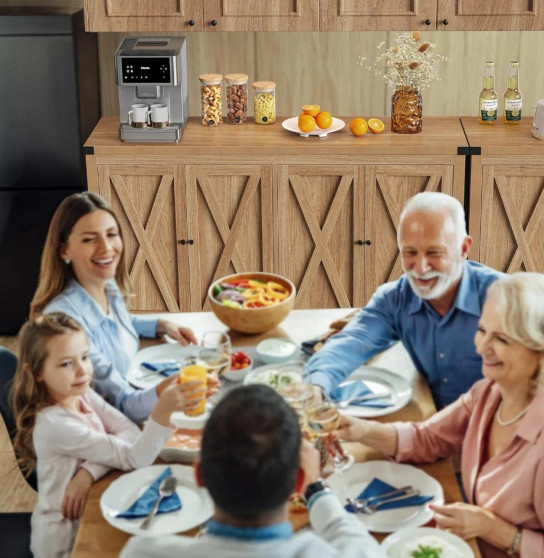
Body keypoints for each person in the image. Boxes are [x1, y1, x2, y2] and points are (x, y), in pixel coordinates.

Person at [335, 273, 544, 557]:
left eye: (501, 339)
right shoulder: (491, 393)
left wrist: (494, 529)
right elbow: (427, 438)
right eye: (482, 330)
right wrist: (359, 430)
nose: (481, 347)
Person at [12, 312, 204, 558]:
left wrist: (88, 471)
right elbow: (136, 458)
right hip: (66, 543)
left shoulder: (78, 393)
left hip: (94, 503)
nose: (82, 371)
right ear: (37, 372)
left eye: (84, 357)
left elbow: (129, 430)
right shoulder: (55, 424)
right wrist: (163, 410)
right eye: (66, 363)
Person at [121, 384, 386, 558]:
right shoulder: (315, 552)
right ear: (297, 484)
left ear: (199, 475)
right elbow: (358, 544)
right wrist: (316, 490)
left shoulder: (142, 553)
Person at [30, 191, 218, 423]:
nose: (106, 247)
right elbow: (123, 404)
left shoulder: (106, 286)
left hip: (135, 400)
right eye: (89, 239)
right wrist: (173, 388)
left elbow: (120, 323)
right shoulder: (66, 322)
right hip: (109, 430)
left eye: (111, 234)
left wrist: (163, 326)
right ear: (64, 250)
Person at [304, 192, 503, 408]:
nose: (420, 268)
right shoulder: (394, 299)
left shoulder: (507, 298)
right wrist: (316, 386)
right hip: (432, 425)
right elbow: (350, 343)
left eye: (435, 253)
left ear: (464, 249)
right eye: (410, 253)